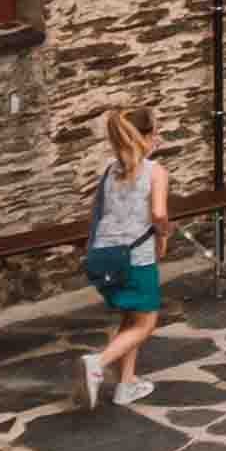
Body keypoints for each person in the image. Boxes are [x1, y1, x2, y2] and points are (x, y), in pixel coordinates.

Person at [77, 100, 169, 408]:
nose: (158, 136)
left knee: (131, 317)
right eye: (155, 131)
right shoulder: (155, 172)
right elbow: (157, 213)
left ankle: (126, 384)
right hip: (137, 256)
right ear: (145, 135)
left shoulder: (109, 172)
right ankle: (97, 363)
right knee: (146, 323)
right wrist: (164, 235)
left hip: (108, 255)